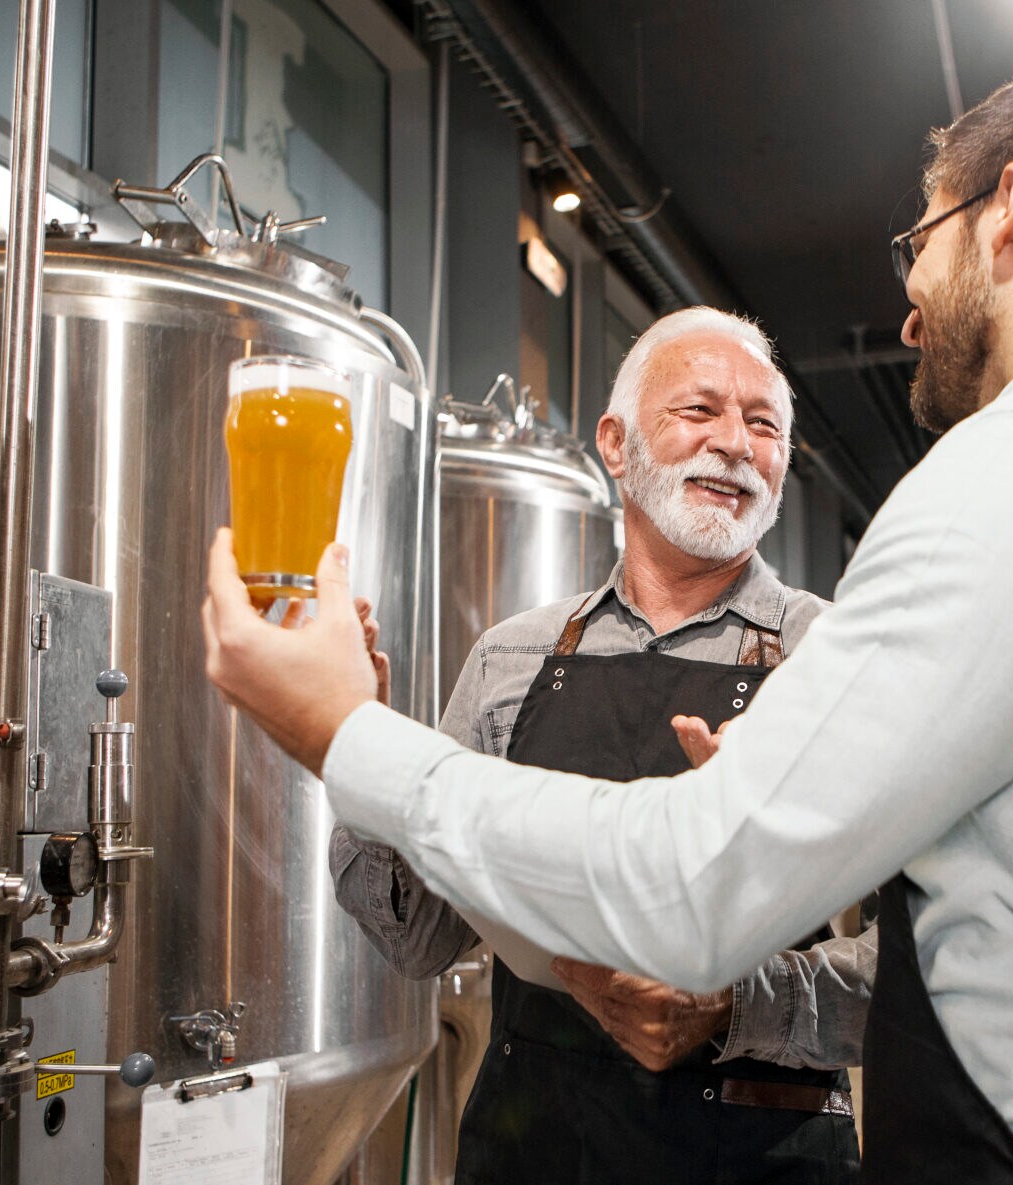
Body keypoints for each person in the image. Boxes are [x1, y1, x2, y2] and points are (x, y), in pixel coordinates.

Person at [204, 64, 1013, 1185]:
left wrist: (343, 733)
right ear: (615, 445)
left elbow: (691, 889)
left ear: (1004, 211)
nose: (910, 307)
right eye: (698, 410)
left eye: (919, 241)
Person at [331, 307, 867, 1184]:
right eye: (700, 410)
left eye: (764, 424)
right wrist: (360, 742)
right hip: (533, 1149)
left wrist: (737, 1003)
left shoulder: (839, 659)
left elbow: (922, 965)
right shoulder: (512, 658)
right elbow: (420, 939)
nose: (736, 444)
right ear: (616, 445)